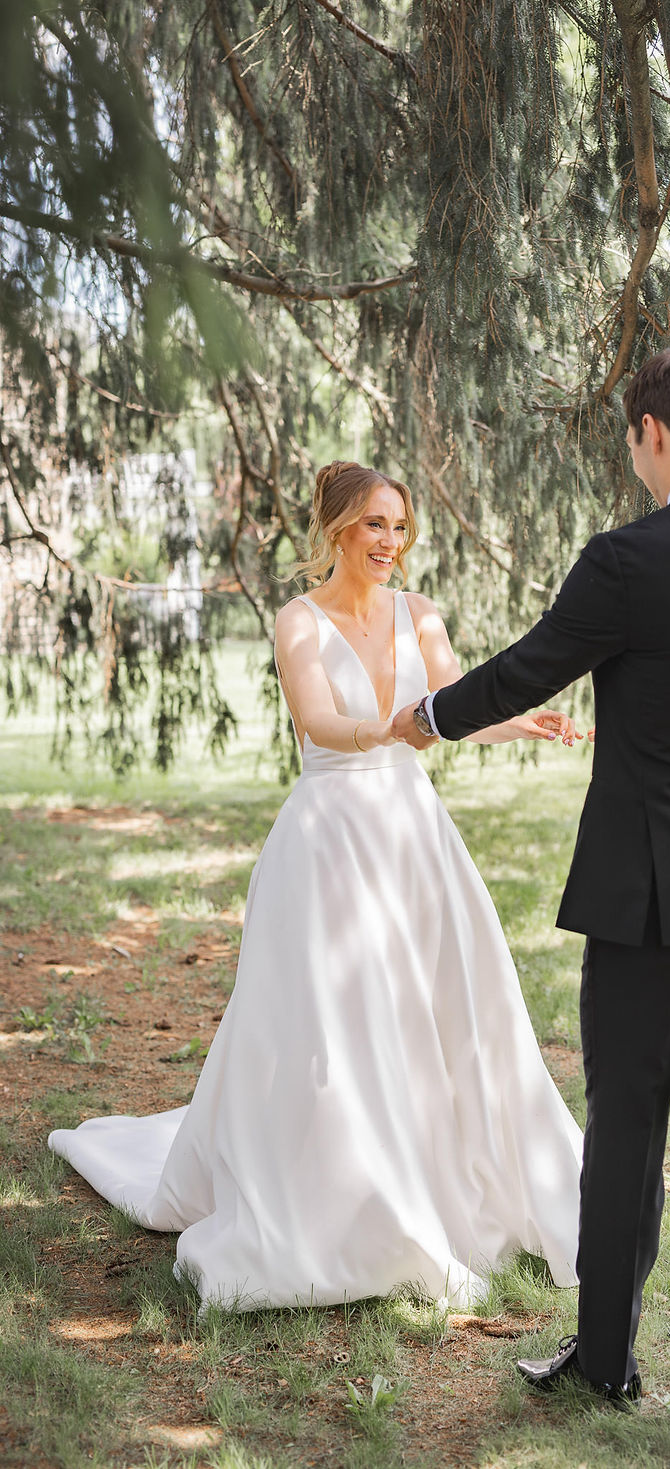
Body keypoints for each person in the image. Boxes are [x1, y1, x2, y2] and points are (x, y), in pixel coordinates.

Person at [393, 349, 670, 1453]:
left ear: (650, 431)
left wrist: (428, 715)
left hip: (649, 904)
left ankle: (605, 1361)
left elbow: (531, 669)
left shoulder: (628, 560)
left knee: (627, 1131)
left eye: (626, 440)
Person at [49, 459, 584, 1313]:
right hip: (329, 837)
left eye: (400, 527)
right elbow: (315, 718)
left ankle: (434, 1172)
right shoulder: (298, 618)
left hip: (413, 838)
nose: (390, 542)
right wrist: (388, 728)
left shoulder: (422, 614)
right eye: (375, 524)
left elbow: (455, 702)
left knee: (439, 1006)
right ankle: (335, 1189)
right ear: (338, 527)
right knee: (331, 1025)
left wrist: (522, 719)